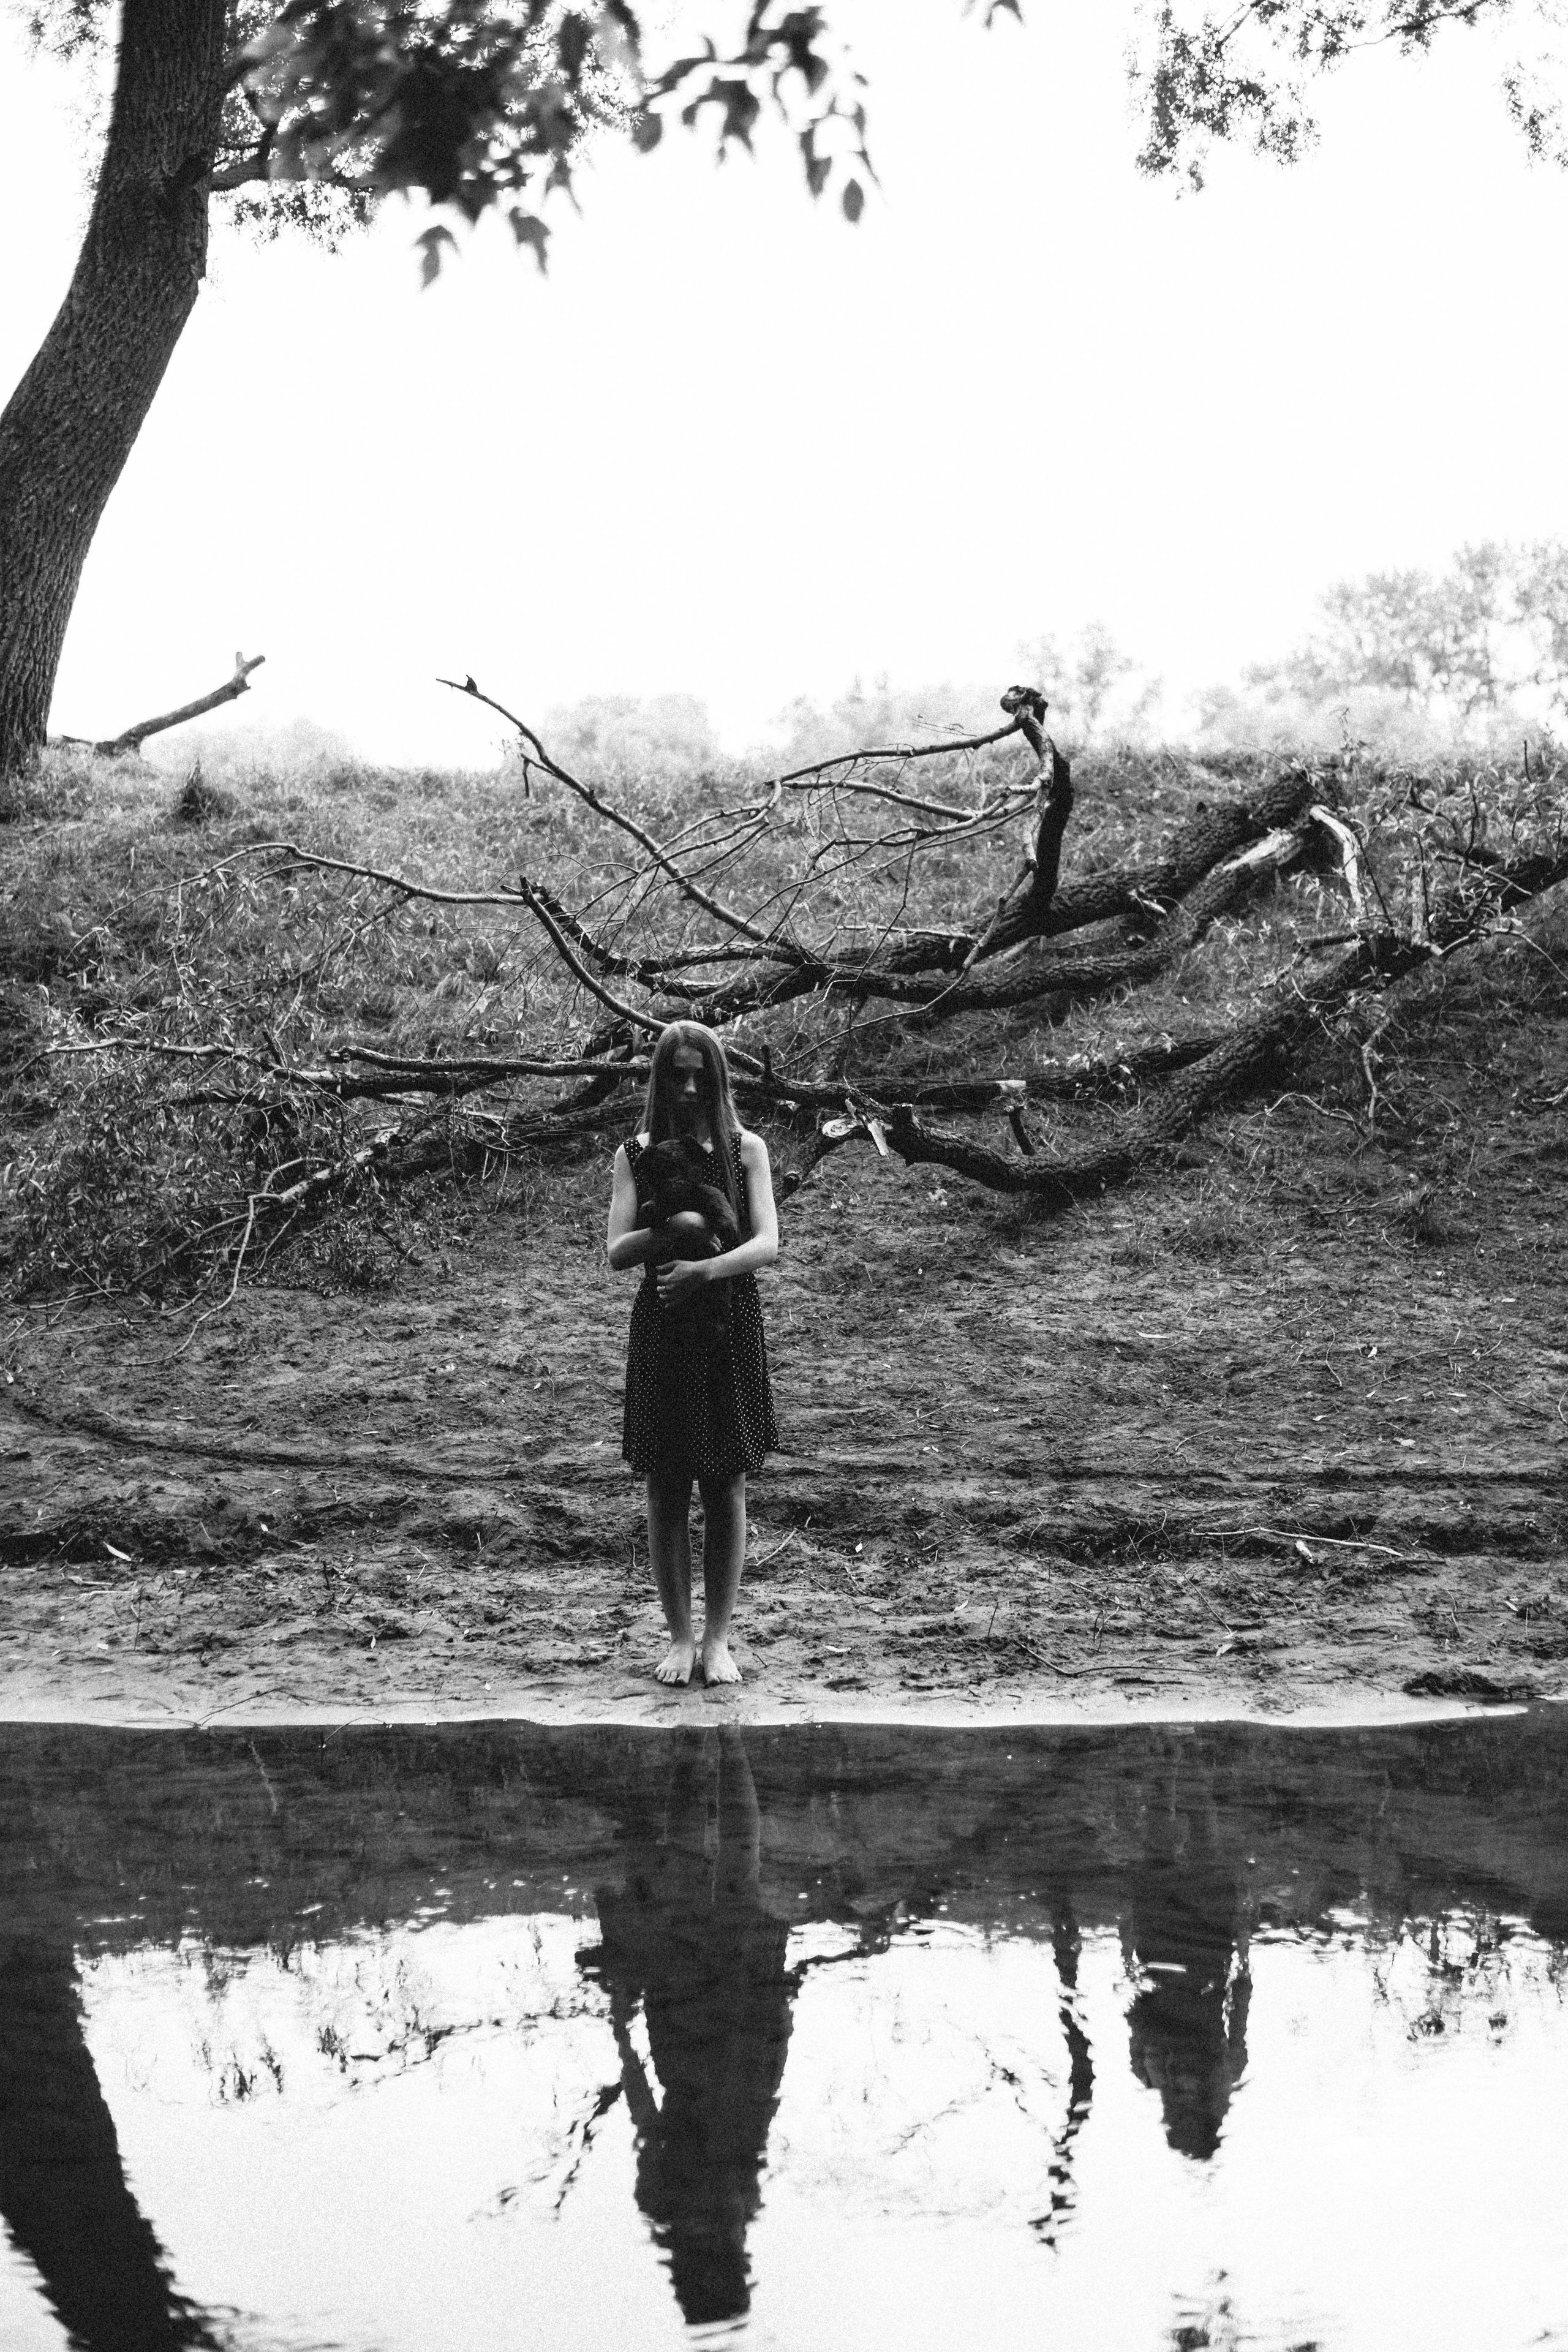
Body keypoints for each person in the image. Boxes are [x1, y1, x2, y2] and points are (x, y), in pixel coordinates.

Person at [606, 1021, 779, 1686]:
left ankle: (718, 1640)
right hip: (663, 1325)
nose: (686, 1087)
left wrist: (708, 1270)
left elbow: (767, 1244)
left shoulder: (746, 1150)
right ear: (658, 1078)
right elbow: (616, 1251)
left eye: (698, 1075)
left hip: (729, 1322)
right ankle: (678, 1638)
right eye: (674, 1074)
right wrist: (670, 1232)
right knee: (666, 1483)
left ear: (716, 1078)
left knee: (728, 1480)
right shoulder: (636, 1153)